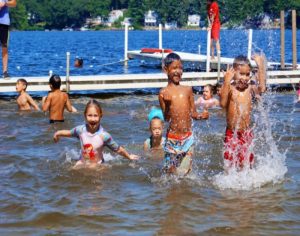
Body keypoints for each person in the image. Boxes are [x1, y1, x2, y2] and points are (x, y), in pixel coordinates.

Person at [159, 53, 209, 175]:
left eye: (180, 68)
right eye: (174, 68)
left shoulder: (188, 90)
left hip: (187, 137)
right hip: (172, 139)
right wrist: (167, 104)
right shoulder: (163, 93)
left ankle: (185, 192)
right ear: (166, 70)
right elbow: (166, 118)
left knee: (185, 172)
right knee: (169, 172)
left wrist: (201, 116)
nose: (178, 71)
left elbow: (193, 113)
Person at [53, 99, 139, 169]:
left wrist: (129, 156)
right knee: (71, 171)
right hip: (82, 161)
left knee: (97, 178)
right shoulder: (80, 130)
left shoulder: (104, 136)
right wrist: (57, 133)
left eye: (95, 115)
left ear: (100, 116)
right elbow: (69, 132)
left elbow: (118, 149)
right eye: (90, 115)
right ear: (85, 115)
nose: (93, 119)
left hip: (98, 164)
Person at [220, 54, 266, 171]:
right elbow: (222, 104)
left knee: (246, 162)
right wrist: (226, 82)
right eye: (241, 74)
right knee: (229, 163)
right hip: (231, 132)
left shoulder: (250, 88)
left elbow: (262, 89)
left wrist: (260, 66)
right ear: (233, 73)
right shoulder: (230, 88)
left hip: (246, 132)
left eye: (247, 74)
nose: (245, 78)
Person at [0, 0, 16, 79]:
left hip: (4, 23)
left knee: (4, 47)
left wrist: (5, 3)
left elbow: (14, 3)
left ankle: (5, 72)